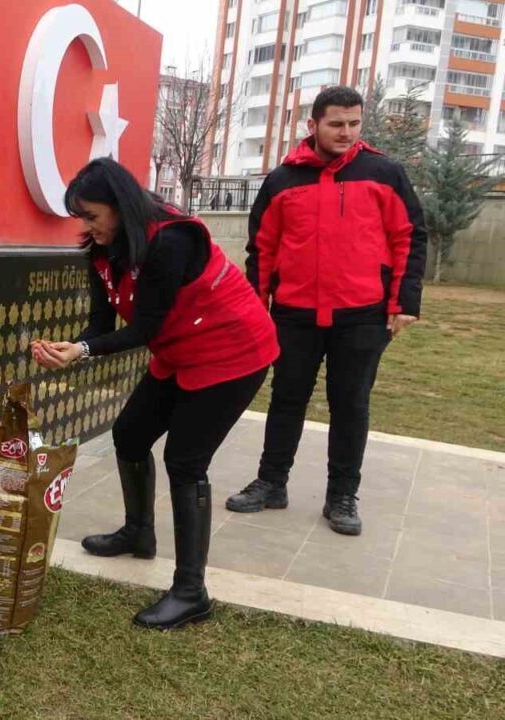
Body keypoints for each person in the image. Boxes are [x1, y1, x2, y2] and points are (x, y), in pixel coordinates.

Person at [31, 157, 279, 630]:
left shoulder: (170, 240)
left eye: (92, 216)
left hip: (233, 351)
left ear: (120, 206)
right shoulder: (103, 249)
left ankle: (191, 592)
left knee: (185, 461)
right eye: (81, 217)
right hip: (180, 349)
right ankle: (138, 534)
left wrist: (83, 351)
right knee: (130, 434)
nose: (87, 227)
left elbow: (145, 327)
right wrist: (73, 347)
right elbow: (102, 324)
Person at [229, 86, 426, 536]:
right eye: (336, 124)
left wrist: (404, 302)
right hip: (295, 313)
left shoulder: (384, 173)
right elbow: (262, 248)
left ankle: (342, 496)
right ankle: (271, 483)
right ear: (313, 125)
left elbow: (410, 238)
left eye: (354, 123)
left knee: (350, 405)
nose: (346, 132)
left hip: (363, 314)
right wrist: (258, 305)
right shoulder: (282, 180)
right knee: (286, 398)